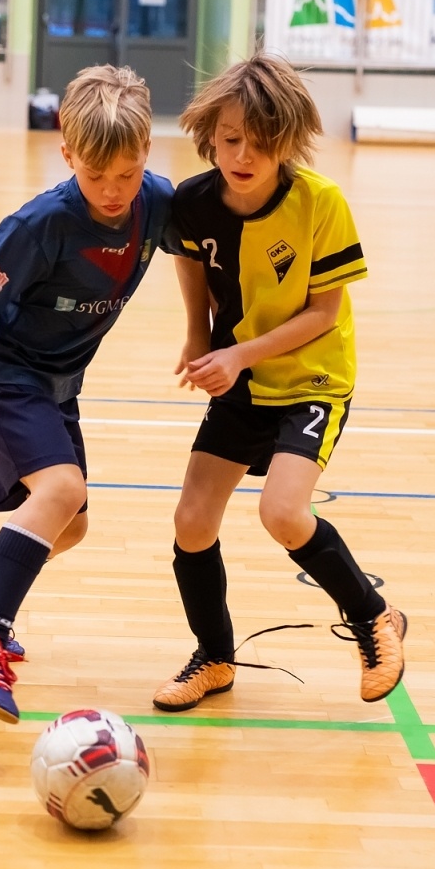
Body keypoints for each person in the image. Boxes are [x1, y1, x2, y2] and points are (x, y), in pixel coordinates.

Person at [0, 65, 174, 724]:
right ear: (67, 155)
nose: (113, 193)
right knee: (62, 492)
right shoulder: (40, 224)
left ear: (148, 151)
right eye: (95, 177)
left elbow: (203, 238)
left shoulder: (157, 201)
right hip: (1, 375)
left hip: (57, 384)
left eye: (127, 175)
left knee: (71, 525)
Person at [150, 53, 405, 712]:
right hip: (241, 380)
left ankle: (374, 617)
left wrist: (238, 355)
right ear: (210, 134)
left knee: (282, 511)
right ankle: (214, 658)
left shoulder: (321, 204)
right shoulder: (193, 203)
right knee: (192, 522)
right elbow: (189, 266)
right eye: (231, 139)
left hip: (311, 378)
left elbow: (324, 314)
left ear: (289, 140)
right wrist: (198, 337)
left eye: (261, 143)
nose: (243, 154)